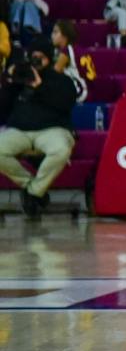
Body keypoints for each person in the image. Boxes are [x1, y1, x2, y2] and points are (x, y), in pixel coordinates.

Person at [0, 41, 78, 218]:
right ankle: (33, 188)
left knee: (61, 149)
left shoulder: (62, 80)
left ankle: (34, 193)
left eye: (40, 58)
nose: (36, 61)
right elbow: (2, 109)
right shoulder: (19, 80)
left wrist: (40, 86)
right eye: (32, 57)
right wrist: (8, 81)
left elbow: (66, 104)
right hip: (19, 130)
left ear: (49, 58)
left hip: (52, 129)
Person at [50, 19, 88, 103]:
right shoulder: (76, 48)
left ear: (65, 35)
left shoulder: (66, 51)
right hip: (86, 87)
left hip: (79, 90)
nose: (52, 35)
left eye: (55, 32)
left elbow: (54, 73)